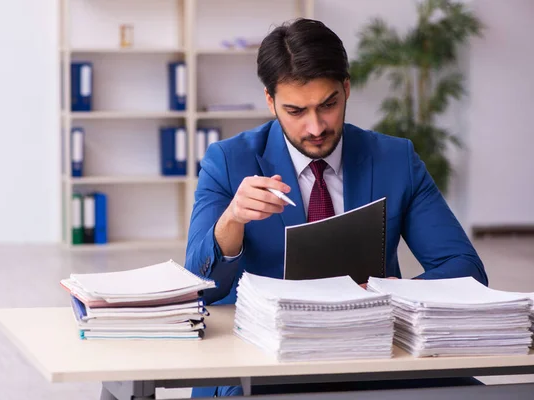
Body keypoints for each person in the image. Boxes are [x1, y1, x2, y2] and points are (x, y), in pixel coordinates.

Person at [185, 18, 488, 397]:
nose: (315, 127)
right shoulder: (228, 161)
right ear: (270, 101)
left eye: (328, 105)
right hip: (265, 361)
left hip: (373, 354)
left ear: (346, 89)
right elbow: (197, 290)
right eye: (295, 111)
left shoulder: (395, 158)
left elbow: (465, 268)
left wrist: (402, 294)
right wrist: (232, 219)